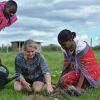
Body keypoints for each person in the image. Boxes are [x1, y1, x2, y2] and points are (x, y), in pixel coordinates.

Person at [57, 29, 100, 94]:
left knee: (66, 79)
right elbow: (66, 66)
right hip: (77, 71)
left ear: (71, 40)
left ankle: (83, 86)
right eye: (60, 44)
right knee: (64, 80)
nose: (62, 46)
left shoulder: (81, 47)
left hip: (90, 72)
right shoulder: (65, 49)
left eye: (63, 44)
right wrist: (59, 84)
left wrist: (78, 87)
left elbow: (84, 69)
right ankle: (81, 87)